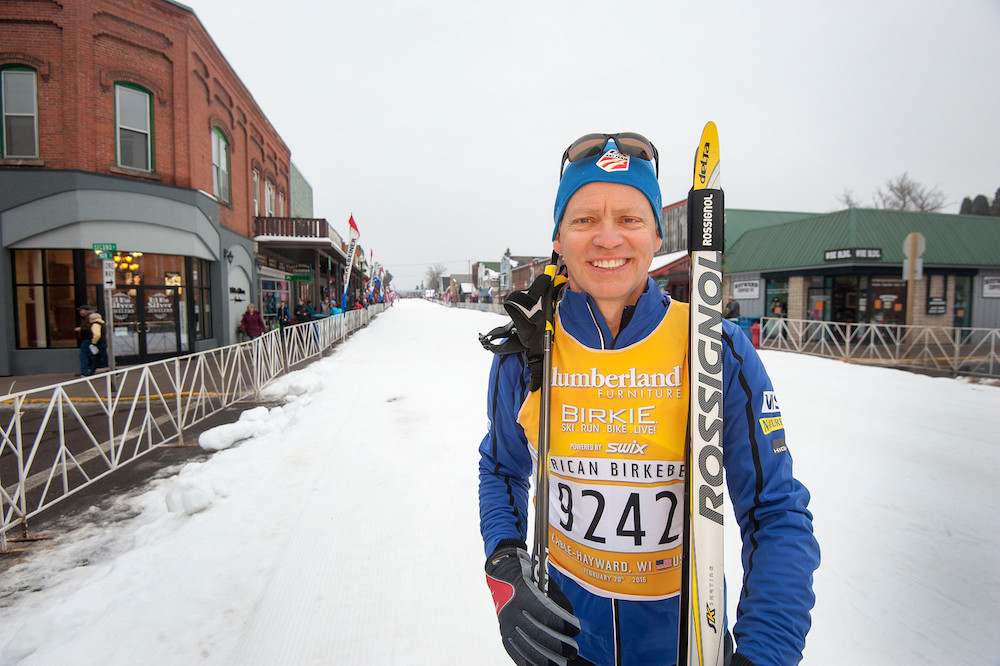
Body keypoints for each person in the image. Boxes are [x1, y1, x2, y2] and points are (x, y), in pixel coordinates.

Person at [478, 132, 819, 666]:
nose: (607, 238)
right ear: (559, 238)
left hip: (685, 650)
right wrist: (505, 572)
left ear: (657, 236)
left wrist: (765, 654)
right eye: (585, 219)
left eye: (630, 219)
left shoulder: (714, 348)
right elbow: (500, 470)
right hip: (567, 647)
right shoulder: (528, 349)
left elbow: (775, 513)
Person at [75, 304, 94, 376]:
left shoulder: (89, 318)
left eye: (81, 310)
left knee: (83, 355)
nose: (80, 312)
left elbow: (91, 328)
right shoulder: (86, 319)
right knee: (91, 355)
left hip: (87, 339)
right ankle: (89, 369)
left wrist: (81, 329)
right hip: (87, 339)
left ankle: (85, 371)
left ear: (85, 311)